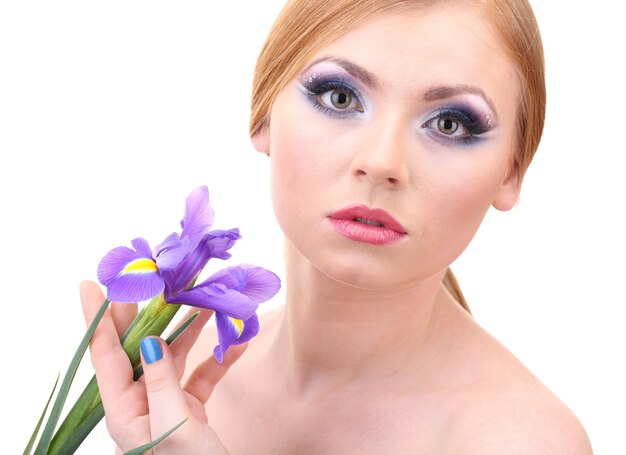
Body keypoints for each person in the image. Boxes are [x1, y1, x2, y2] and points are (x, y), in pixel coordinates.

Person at [80, 0, 593, 452]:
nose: (382, 160)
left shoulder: (522, 442)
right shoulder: (181, 378)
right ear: (262, 117)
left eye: (450, 123)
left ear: (511, 172)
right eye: (340, 97)